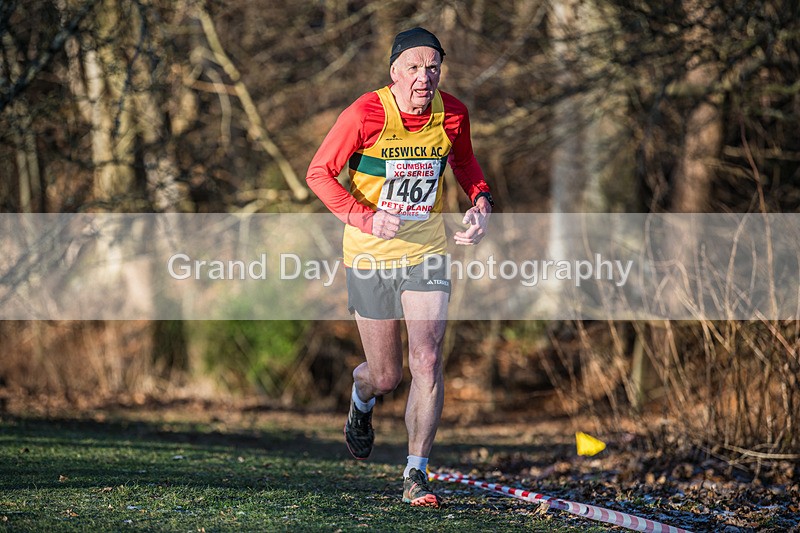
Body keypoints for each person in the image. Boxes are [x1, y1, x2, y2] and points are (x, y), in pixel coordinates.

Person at [306, 27, 493, 508]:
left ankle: (416, 473)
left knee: (427, 359)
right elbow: (319, 173)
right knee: (386, 375)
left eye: (433, 67)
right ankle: (361, 397)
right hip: (369, 254)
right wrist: (365, 216)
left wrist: (481, 201)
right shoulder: (365, 113)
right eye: (413, 67)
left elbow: (466, 163)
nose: (424, 77)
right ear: (394, 72)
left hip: (426, 250)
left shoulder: (452, 113)